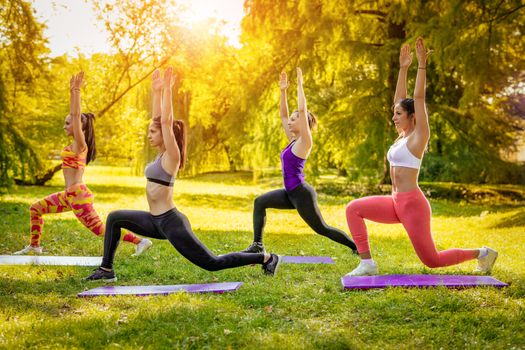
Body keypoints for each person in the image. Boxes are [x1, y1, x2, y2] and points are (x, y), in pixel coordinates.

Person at [86, 68, 280, 282]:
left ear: (166, 135)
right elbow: (159, 120)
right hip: (154, 220)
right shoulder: (160, 155)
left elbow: (166, 122)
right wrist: (157, 92)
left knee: (212, 263)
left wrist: (168, 90)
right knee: (115, 217)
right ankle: (106, 270)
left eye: (152, 132)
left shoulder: (172, 155)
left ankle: (266, 258)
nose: (149, 135)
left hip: (171, 222)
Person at [345, 38, 498, 276]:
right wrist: (404, 67)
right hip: (396, 202)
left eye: (398, 114)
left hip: (412, 206)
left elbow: (417, 99)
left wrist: (422, 65)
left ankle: (483, 253)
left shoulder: (419, 136)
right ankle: (367, 263)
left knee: (432, 260)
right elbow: (402, 99)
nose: (394, 117)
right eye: (394, 114)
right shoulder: (402, 136)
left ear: (411, 116)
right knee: (353, 209)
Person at [14, 72, 151, 256]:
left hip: (78, 196)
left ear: (80, 127)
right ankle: (35, 246)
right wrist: (71, 91)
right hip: (67, 195)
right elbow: (74, 115)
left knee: (100, 230)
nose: (65, 126)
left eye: (68, 123)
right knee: (35, 208)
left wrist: (76, 91)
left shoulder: (80, 144)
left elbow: (76, 114)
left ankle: (141, 241)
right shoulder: (72, 144)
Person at [242, 68, 357, 255]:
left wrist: (300, 85)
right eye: (292, 119)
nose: (290, 122)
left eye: (296, 120)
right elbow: (283, 116)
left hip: (301, 194)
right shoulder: (293, 141)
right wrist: (283, 91)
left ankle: (356, 247)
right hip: (289, 192)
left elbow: (302, 110)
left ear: (304, 123)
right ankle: (257, 245)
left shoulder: (305, 141)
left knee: (322, 229)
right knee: (259, 202)